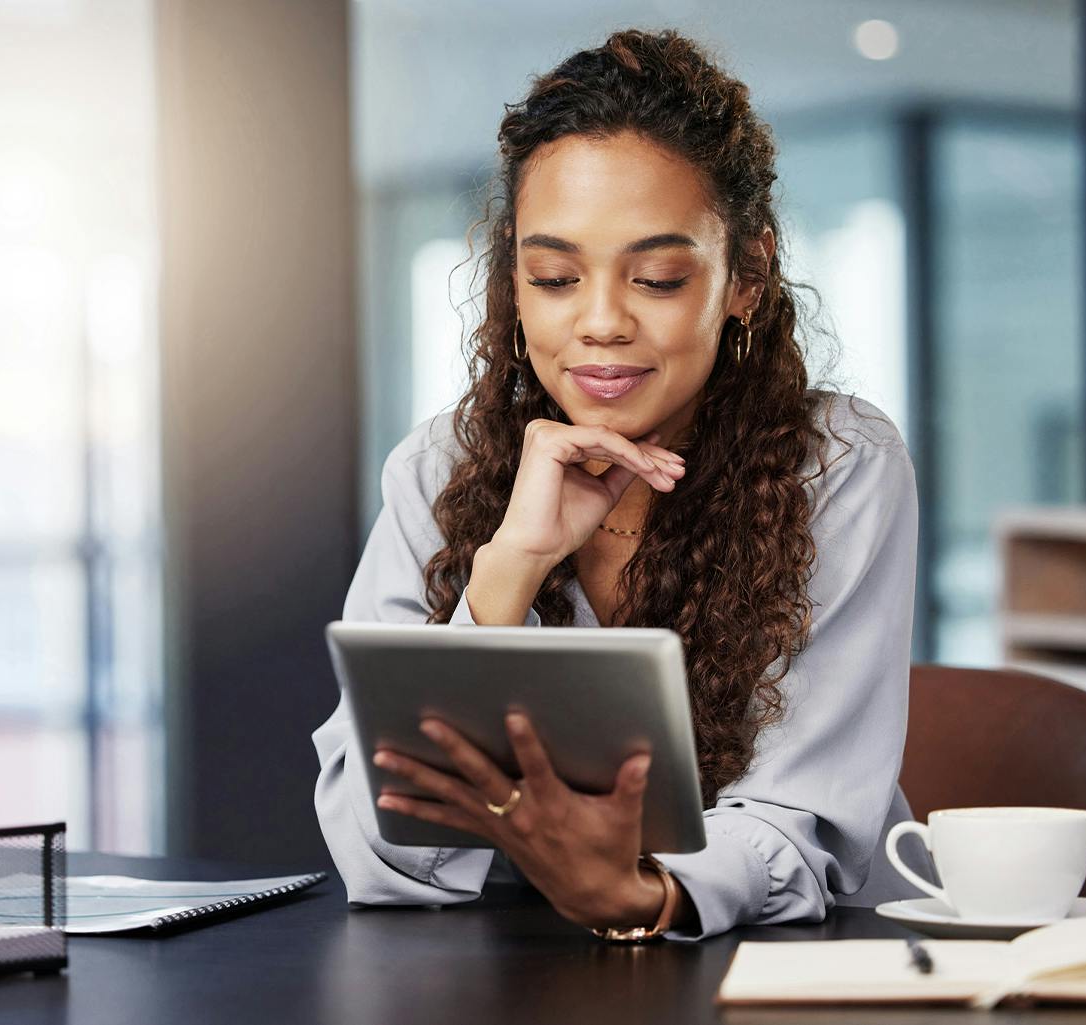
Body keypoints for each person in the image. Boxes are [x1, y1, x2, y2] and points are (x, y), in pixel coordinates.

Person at [312, 27, 931, 941]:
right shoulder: (438, 468)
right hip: (523, 977)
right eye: (555, 276)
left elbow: (804, 824)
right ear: (515, 288)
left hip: (797, 968)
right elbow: (381, 853)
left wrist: (642, 895)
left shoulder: (838, 465)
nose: (600, 322)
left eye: (657, 277)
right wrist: (507, 573)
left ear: (744, 278)